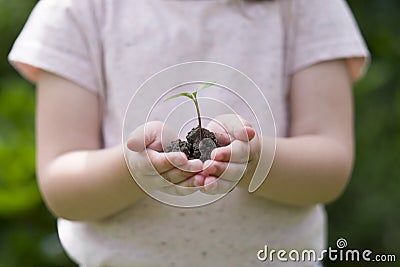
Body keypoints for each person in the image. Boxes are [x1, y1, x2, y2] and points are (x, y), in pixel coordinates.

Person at [9, 0, 369, 266]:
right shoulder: (76, 10)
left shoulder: (309, 8)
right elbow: (62, 187)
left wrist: (255, 159)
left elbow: (330, 168)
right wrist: (132, 170)